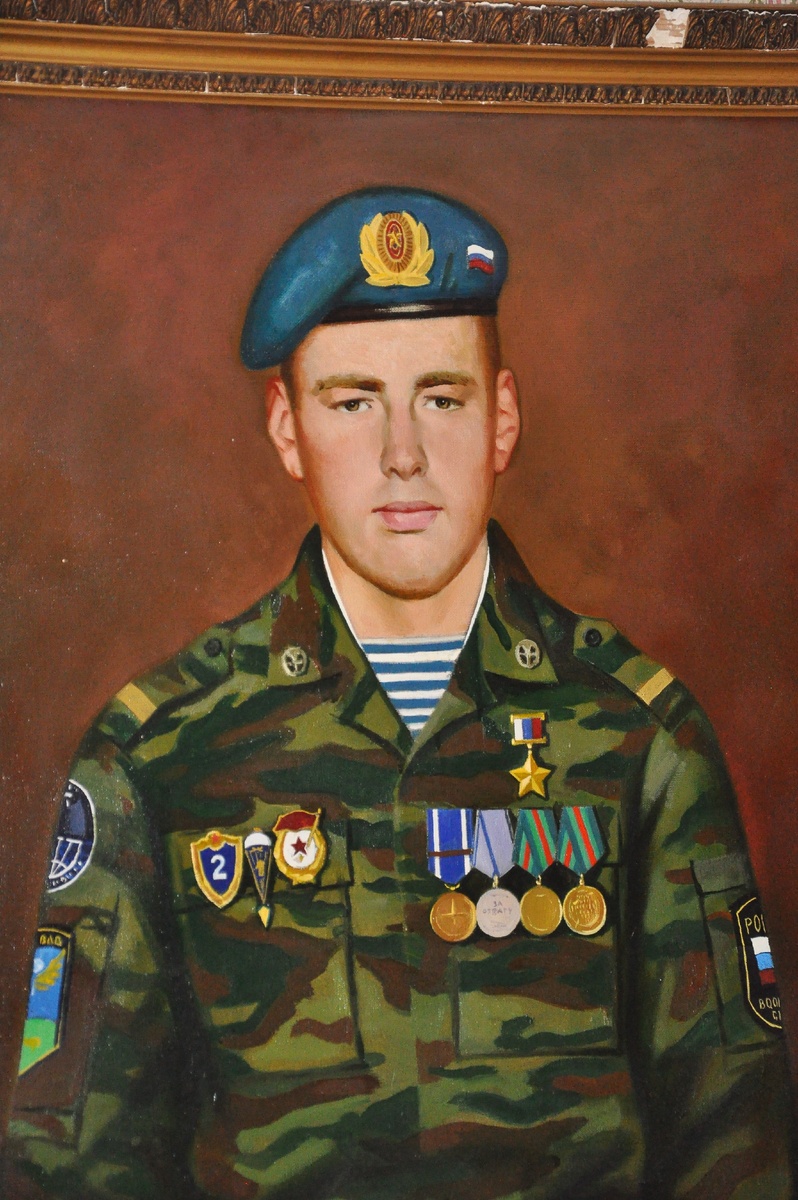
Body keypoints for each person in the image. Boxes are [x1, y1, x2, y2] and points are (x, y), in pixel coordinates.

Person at [5, 188, 794, 1200]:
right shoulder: (158, 752)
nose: (403, 454)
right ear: (287, 428)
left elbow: (740, 1147)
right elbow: (69, 1160)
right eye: (353, 402)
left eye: (441, 398)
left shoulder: (643, 739)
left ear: (503, 418)